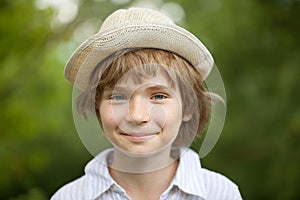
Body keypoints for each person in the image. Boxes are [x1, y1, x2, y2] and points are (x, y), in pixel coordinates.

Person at [51, 7, 243, 200]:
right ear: (97, 107)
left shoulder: (220, 193)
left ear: (189, 107)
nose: (137, 116)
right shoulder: (69, 197)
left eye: (158, 96)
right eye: (118, 97)